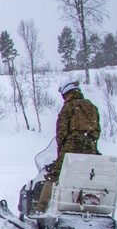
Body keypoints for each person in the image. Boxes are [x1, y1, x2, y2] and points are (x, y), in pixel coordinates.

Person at [38, 80, 101, 212]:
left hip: (71, 146)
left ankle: (41, 208)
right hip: (90, 146)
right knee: (87, 175)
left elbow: (61, 132)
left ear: (65, 94)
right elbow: (97, 130)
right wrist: (91, 144)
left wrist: (61, 151)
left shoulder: (68, 107)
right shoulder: (92, 107)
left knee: (54, 176)